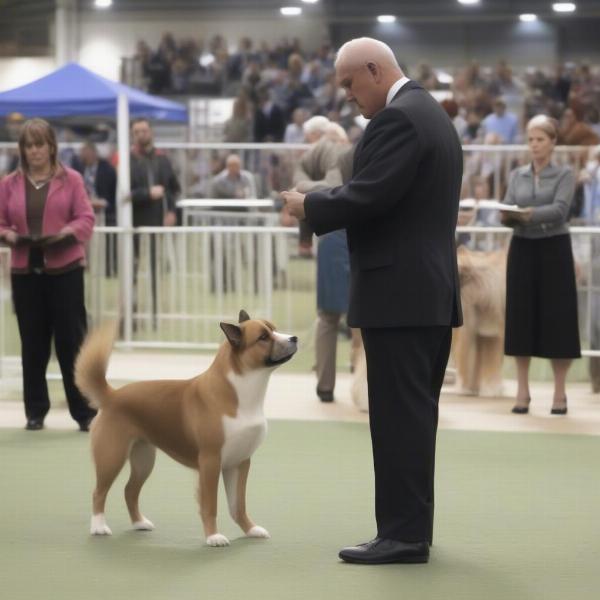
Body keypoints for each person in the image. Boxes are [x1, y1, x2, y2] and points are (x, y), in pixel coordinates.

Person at [282, 38, 463, 565]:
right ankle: (410, 529)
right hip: (423, 294)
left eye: (349, 83)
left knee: (397, 421)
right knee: (412, 419)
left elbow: (369, 195)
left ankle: (402, 536)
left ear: (373, 69)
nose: (348, 96)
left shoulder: (398, 120)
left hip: (399, 296)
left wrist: (308, 204)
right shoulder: (430, 114)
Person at [0, 118, 96, 431]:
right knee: (33, 342)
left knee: (71, 341)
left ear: (51, 146)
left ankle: (83, 412)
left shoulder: (72, 180)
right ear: (22, 150)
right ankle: (35, 411)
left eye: (40, 144)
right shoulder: (8, 184)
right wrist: (11, 236)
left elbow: (86, 218)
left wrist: (65, 233)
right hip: (26, 272)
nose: (35, 151)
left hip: (65, 270)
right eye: (29, 146)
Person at [501, 115, 580, 415]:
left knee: (558, 320)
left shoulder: (565, 175)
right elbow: (508, 205)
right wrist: (508, 215)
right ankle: (523, 390)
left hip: (554, 249)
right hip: (521, 248)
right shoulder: (517, 175)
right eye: (531, 139)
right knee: (521, 319)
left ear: (553, 142)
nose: (534, 145)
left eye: (540, 140)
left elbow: (560, 211)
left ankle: (560, 392)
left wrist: (527, 214)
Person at [293, 120, 359, 402]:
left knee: (329, 317)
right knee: (360, 317)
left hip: (334, 236)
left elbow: (328, 188)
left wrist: (302, 189)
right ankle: (361, 383)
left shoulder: (326, 153)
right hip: (351, 234)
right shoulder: (345, 152)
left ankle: (325, 384)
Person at [130, 117, 180, 328]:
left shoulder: (162, 159)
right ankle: (131, 315)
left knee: (155, 270)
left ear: (150, 132)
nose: (142, 134)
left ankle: (154, 316)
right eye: (137, 131)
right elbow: (125, 194)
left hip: (157, 222)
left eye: (144, 130)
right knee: (131, 270)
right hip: (132, 223)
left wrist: (171, 211)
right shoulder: (128, 160)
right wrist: (147, 194)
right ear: (133, 135)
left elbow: (173, 189)